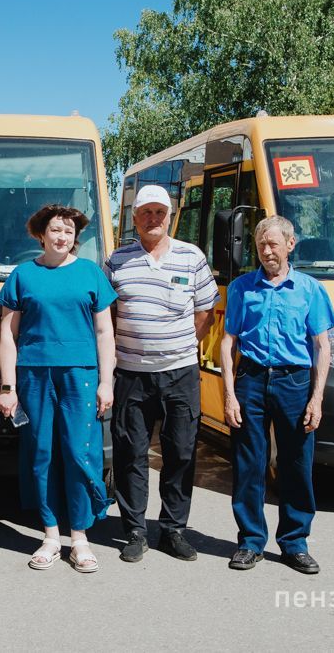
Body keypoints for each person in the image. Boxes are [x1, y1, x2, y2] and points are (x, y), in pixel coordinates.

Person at [0, 204, 117, 573]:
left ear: (75, 237)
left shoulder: (90, 273)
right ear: (41, 234)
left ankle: (79, 537)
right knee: (41, 452)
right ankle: (50, 535)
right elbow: (7, 335)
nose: (61, 237)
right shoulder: (23, 275)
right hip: (34, 374)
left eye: (68, 231)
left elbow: (104, 332)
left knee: (80, 452)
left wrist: (106, 381)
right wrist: (7, 385)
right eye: (55, 230)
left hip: (81, 374)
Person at [104, 184, 218, 563]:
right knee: (130, 453)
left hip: (180, 373)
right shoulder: (117, 261)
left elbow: (204, 312)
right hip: (131, 374)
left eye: (160, 212)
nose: (153, 219)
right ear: (135, 218)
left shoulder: (191, 257)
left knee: (181, 451)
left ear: (169, 217)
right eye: (146, 213)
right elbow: (108, 316)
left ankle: (173, 530)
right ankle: (135, 530)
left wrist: (178, 346)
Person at [220, 215, 334, 574]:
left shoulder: (310, 289)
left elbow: (322, 347)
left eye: (273, 244)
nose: (267, 251)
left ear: (290, 244)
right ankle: (250, 542)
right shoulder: (241, 288)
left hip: (294, 383)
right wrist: (230, 394)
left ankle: (294, 543)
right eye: (261, 245)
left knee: (296, 463)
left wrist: (316, 398)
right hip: (251, 380)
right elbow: (228, 342)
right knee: (249, 464)